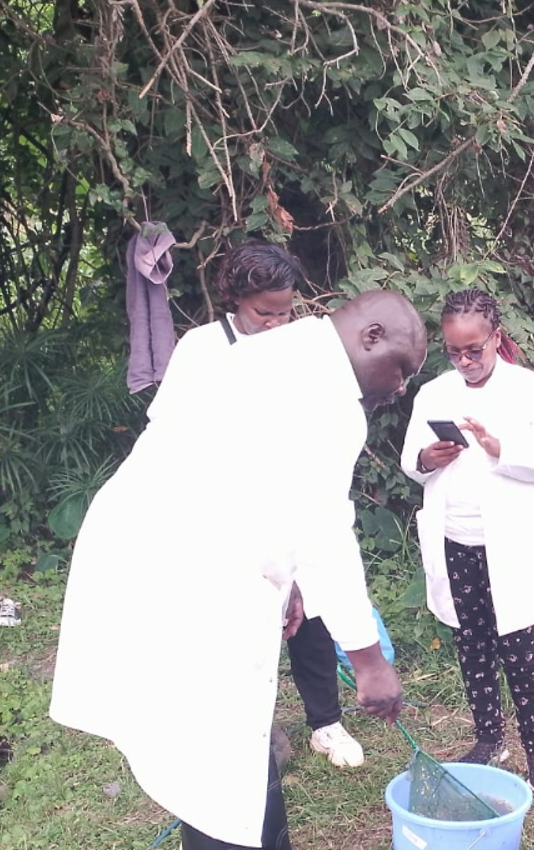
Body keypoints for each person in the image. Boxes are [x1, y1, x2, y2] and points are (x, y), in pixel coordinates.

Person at [50, 290, 428, 850]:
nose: (399, 387)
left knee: (222, 754)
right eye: (401, 370)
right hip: (181, 576)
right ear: (371, 336)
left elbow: (264, 493)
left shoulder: (281, 353)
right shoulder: (326, 395)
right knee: (217, 759)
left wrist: (290, 581)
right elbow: (325, 533)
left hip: (154, 557)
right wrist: (370, 663)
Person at [150, 241, 367, 769]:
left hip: (292, 504)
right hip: (228, 517)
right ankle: (250, 728)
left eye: (285, 312)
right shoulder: (202, 349)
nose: (276, 324)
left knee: (309, 612)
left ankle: (326, 723)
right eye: (263, 313)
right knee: (247, 623)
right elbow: (169, 431)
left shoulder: (304, 345)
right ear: (235, 298)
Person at [400, 289, 534, 793]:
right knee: (471, 643)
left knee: (520, 647)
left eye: (475, 349)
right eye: (454, 351)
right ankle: (489, 738)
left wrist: (501, 448)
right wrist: (430, 458)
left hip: (508, 543)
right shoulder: (433, 393)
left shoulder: (531, 390)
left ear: (497, 337)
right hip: (455, 537)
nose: (466, 361)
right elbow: (412, 462)